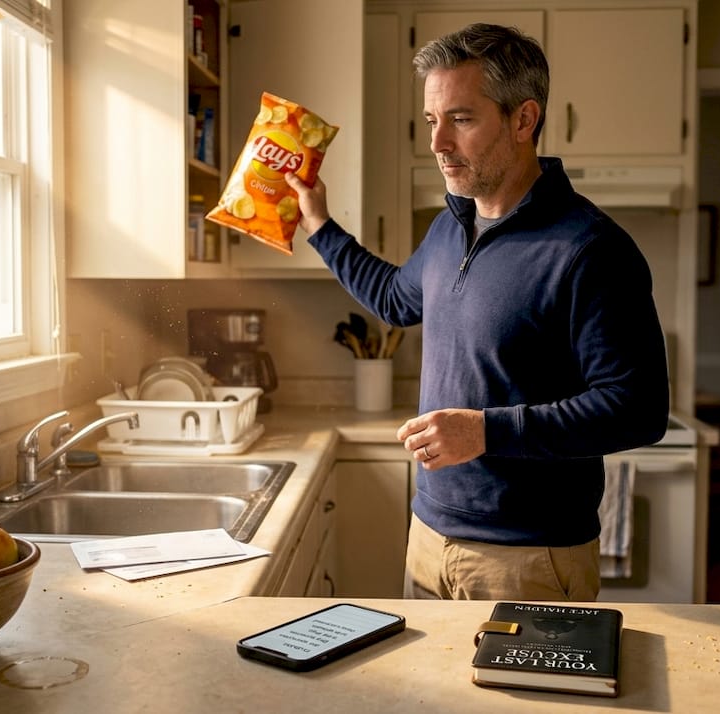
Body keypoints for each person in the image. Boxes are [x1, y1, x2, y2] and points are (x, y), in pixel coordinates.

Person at [283, 22, 669, 602]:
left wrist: (486, 431)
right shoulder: (450, 226)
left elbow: (637, 411)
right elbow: (395, 298)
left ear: (523, 119)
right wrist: (318, 225)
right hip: (428, 536)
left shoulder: (590, 249)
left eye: (461, 119)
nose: (438, 144)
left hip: (530, 558)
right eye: (433, 121)